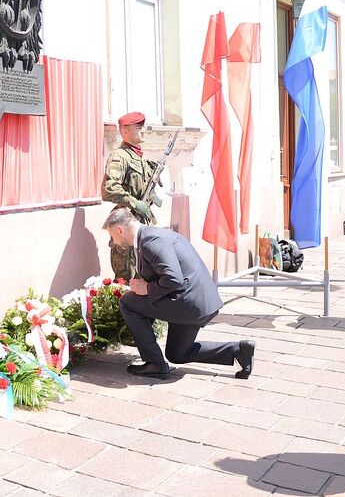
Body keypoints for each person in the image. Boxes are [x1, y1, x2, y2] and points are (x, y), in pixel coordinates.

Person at [102, 207, 255, 379]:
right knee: (177, 354)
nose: (114, 242)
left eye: (112, 236)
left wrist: (146, 289)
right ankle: (239, 350)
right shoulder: (151, 235)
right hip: (197, 302)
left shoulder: (150, 240)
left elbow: (173, 278)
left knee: (128, 302)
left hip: (188, 303)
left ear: (120, 230)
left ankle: (155, 363)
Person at [102, 111, 156, 282]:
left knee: (145, 273)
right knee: (126, 277)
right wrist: (135, 204)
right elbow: (109, 188)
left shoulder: (139, 158)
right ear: (125, 131)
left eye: (143, 126)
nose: (143, 130)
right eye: (138, 127)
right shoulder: (120, 156)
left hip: (141, 224)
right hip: (125, 224)